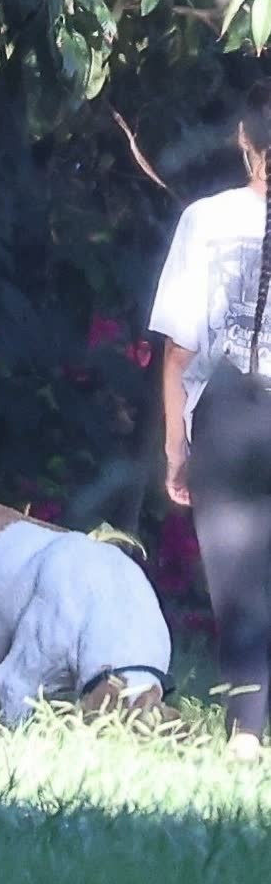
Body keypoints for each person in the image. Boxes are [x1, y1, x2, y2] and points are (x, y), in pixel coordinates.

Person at [150, 81, 271, 761]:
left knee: (240, 584)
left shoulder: (206, 219)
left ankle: (247, 735)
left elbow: (179, 349)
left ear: (244, 140)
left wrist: (176, 445)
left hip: (231, 413)